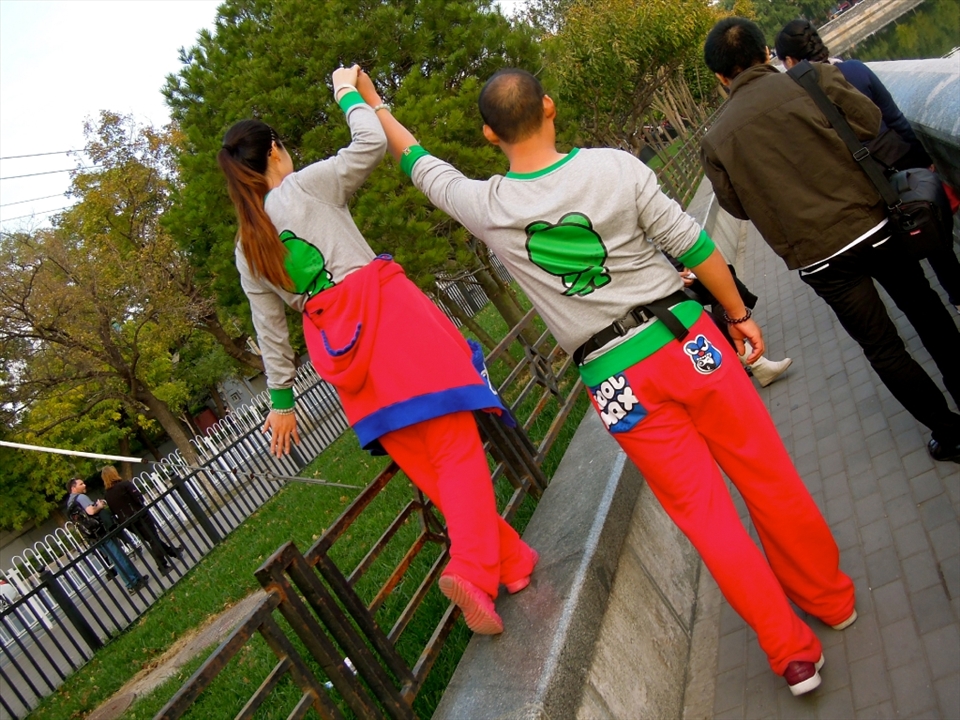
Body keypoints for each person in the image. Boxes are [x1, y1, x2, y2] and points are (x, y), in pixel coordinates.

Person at [358, 66, 854, 695]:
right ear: (550, 107)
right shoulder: (616, 168)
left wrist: (369, 104)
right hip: (688, 340)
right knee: (768, 476)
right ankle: (832, 600)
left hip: (615, 381)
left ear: (489, 134)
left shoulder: (487, 206)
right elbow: (692, 243)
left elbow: (420, 166)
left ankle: (792, 656)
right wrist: (737, 314)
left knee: (706, 518)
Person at [216, 65, 537, 635]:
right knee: (456, 447)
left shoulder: (246, 247)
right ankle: (470, 567)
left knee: (430, 467)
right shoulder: (302, 188)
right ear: (273, 154)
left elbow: (271, 331)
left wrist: (282, 401)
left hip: (341, 357)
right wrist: (345, 90)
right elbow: (368, 143)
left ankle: (510, 562)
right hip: (389, 324)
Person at [700, 17, 960, 464]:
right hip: (876, 224)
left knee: (882, 347)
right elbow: (870, 121)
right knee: (927, 311)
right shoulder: (812, 78)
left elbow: (738, 207)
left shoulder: (715, 140)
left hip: (821, 258)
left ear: (722, 77)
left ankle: (950, 434)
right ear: (766, 53)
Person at [775, 18, 960, 314]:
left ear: (789, 60)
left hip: (861, 185)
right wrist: (924, 162)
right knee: (935, 239)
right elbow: (896, 120)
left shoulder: (799, 98)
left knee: (901, 263)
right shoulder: (855, 70)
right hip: (901, 162)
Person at [668, 255, 793, 387]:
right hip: (661, 287)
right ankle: (757, 364)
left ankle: (757, 364)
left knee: (722, 286)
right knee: (700, 315)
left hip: (674, 265)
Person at [66, 477, 148, 593]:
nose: (84, 485)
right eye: (81, 484)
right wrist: (100, 505)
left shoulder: (69, 504)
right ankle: (133, 583)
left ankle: (134, 580)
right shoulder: (81, 497)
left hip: (93, 537)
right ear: (73, 488)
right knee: (119, 557)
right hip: (101, 531)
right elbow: (91, 511)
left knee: (115, 558)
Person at [102, 466, 180, 576]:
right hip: (139, 515)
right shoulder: (125, 485)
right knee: (153, 539)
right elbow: (139, 498)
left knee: (151, 539)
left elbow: (113, 510)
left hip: (127, 522)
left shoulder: (107, 495)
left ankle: (173, 552)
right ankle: (162, 566)